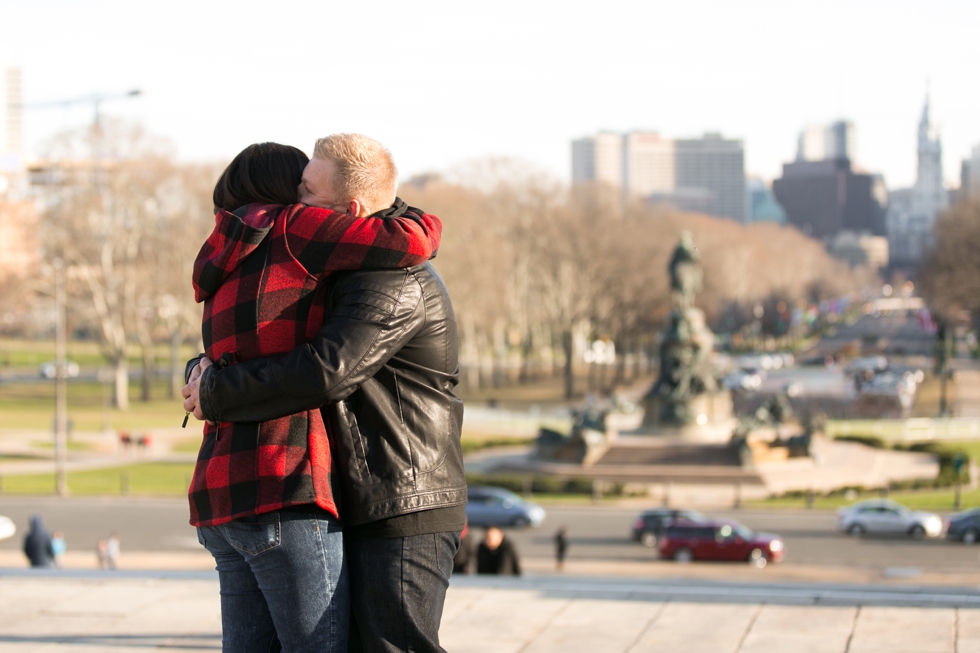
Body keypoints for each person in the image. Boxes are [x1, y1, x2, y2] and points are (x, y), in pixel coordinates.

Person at [183, 133, 465, 653]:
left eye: (306, 191)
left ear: (350, 211)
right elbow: (274, 350)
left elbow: (324, 371)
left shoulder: (390, 280)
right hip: (312, 486)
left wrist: (212, 385)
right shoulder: (304, 246)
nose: (295, 202)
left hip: (401, 497)